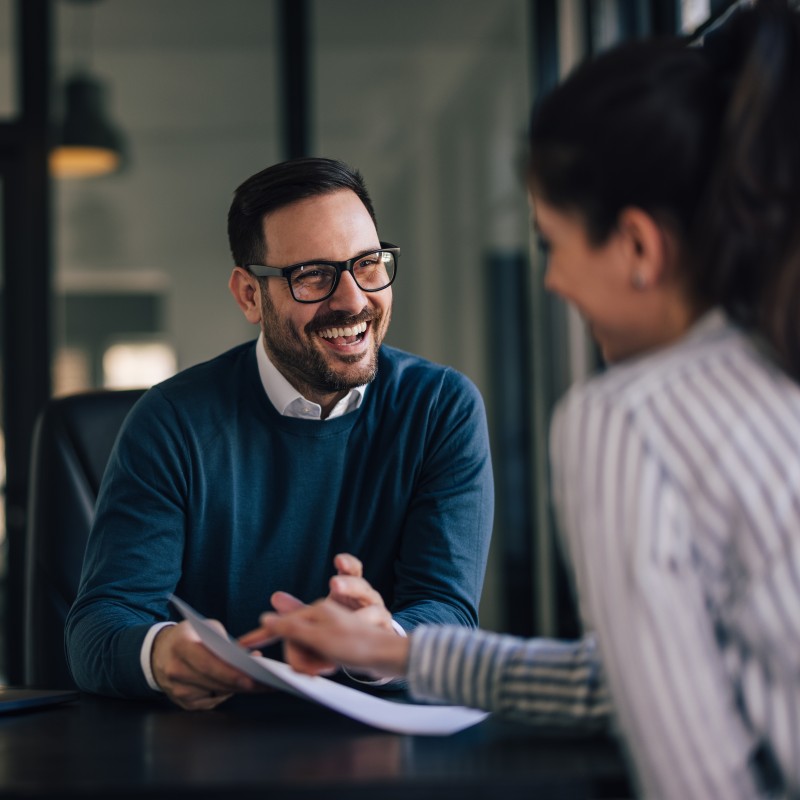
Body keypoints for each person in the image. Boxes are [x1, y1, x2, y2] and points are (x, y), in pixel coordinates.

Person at [242, 3, 800, 797]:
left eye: (555, 245)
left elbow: (697, 779)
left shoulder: (626, 418)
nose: (550, 281)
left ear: (638, 246)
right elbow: (626, 682)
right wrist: (396, 651)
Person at [65, 157, 494, 711]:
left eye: (367, 264)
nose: (354, 300)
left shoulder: (442, 408)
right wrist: (162, 651)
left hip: (381, 757)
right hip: (208, 753)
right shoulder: (171, 421)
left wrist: (376, 644)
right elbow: (97, 629)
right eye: (313, 275)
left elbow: (447, 609)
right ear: (249, 296)